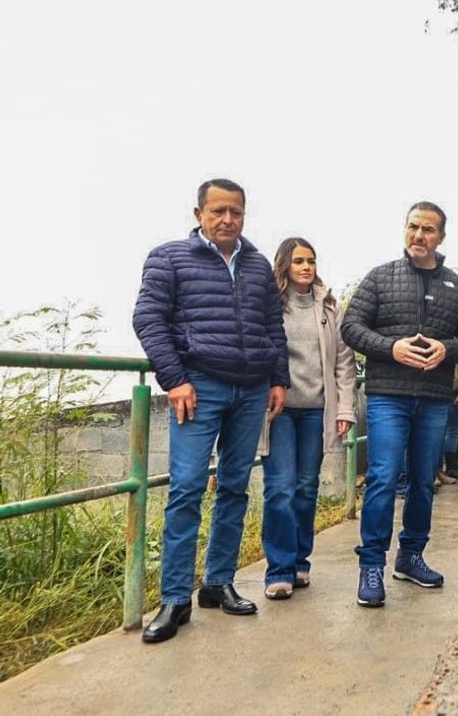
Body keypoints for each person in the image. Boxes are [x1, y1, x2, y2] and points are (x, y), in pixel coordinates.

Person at [132, 179, 289, 643]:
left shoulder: (258, 264)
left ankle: (218, 582)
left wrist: (277, 378)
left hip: (252, 388)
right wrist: (174, 379)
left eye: (235, 212)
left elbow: (271, 327)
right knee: (186, 489)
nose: (227, 220)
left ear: (244, 215)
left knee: (236, 488)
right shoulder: (170, 257)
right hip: (199, 386)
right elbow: (148, 318)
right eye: (218, 211)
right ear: (199, 212)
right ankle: (175, 598)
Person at [341, 201, 458, 608]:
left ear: (441, 237)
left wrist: (447, 348)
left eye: (428, 230)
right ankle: (371, 564)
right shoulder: (380, 278)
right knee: (384, 477)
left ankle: (411, 555)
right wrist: (392, 347)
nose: (419, 236)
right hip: (389, 395)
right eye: (413, 227)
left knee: (424, 479)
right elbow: (351, 327)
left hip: (435, 398)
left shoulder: (457, 286)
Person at [260, 238, 357, 600]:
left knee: (305, 488)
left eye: (311, 260)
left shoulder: (330, 306)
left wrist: (345, 409)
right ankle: (279, 569)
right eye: (298, 260)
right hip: (279, 410)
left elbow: (345, 364)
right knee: (279, 489)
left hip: (317, 409)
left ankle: (300, 561)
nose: (306, 266)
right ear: (284, 265)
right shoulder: (269, 305)